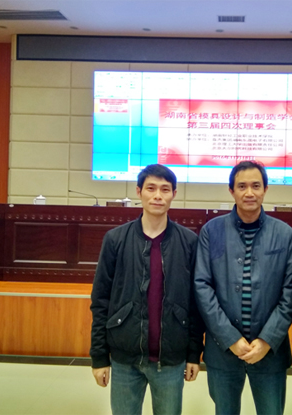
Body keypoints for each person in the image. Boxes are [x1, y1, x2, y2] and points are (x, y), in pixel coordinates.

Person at [90, 164, 204, 415]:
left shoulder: (189, 242)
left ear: (174, 194)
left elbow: (196, 303)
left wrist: (194, 353)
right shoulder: (115, 239)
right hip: (125, 358)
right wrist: (99, 357)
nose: (157, 196)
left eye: (165, 189)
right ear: (139, 191)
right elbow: (100, 300)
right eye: (151, 188)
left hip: (171, 359)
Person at [194, 160, 292, 415]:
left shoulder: (284, 233)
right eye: (242, 186)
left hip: (270, 352)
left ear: (265, 189)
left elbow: (291, 291)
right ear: (231, 190)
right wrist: (230, 338)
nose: (249, 192)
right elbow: (202, 286)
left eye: (256, 186)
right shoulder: (211, 231)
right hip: (223, 350)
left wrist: (266, 340)